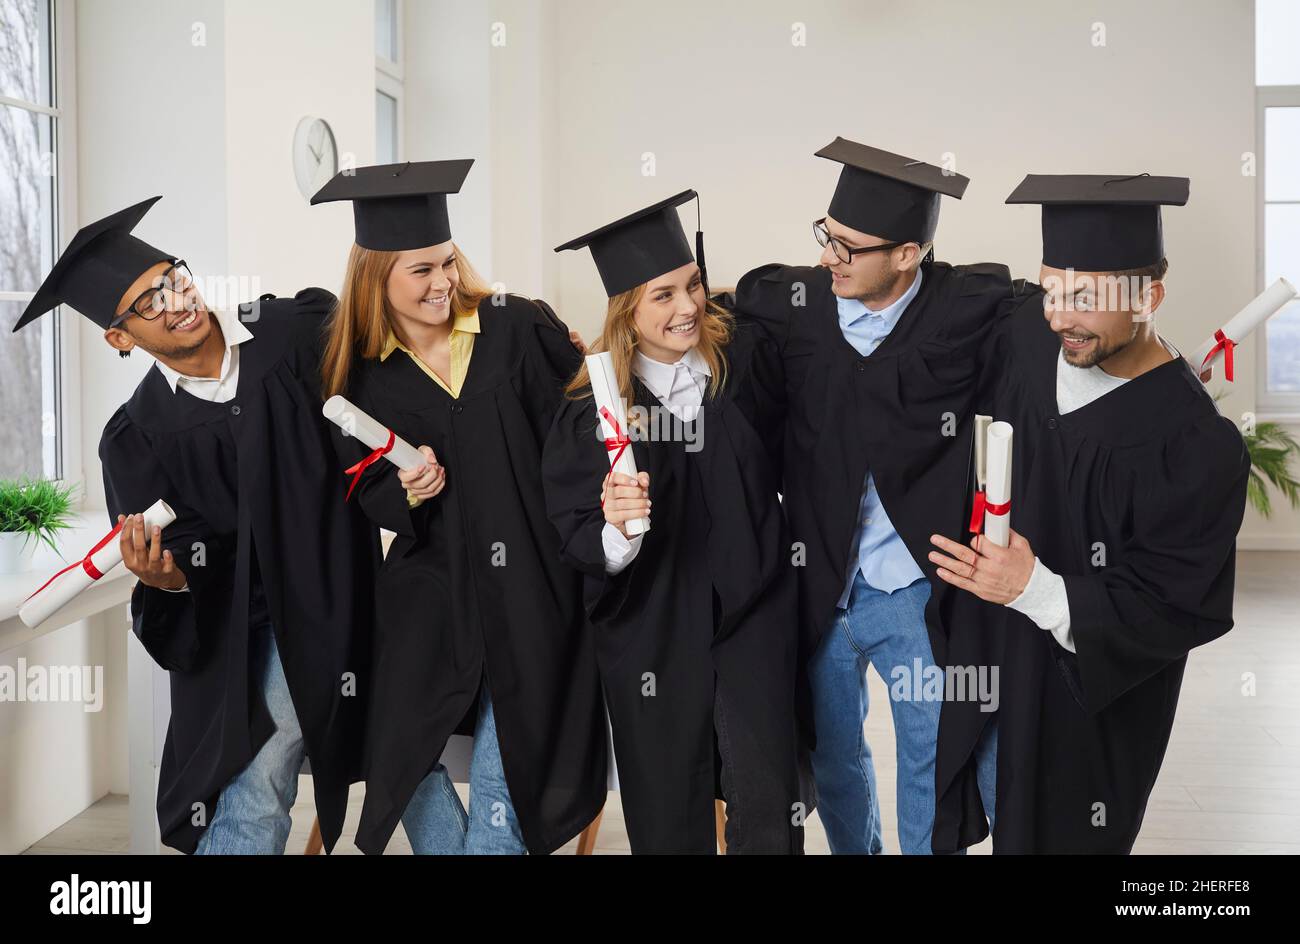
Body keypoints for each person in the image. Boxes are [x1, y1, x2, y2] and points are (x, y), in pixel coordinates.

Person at [12, 196, 378, 854]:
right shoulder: (136, 438)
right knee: (239, 766)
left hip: (337, 598)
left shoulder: (293, 332)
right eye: (147, 304)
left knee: (273, 756)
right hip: (239, 631)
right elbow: (185, 565)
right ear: (119, 337)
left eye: (172, 280)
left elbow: (392, 374)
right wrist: (170, 577)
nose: (174, 301)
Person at [928, 174, 1249, 853]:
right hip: (986, 665)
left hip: (1085, 709)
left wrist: (1033, 588)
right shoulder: (1026, 334)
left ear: (1149, 297)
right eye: (1049, 290)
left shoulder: (1196, 447)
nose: (1057, 315)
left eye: (1082, 298)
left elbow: (1174, 606)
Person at [313, 160, 607, 855]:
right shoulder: (360, 377)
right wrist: (405, 492)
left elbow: (580, 438)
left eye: (448, 263)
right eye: (421, 271)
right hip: (430, 591)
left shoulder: (516, 327)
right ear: (375, 278)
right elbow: (362, 488)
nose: (443, 281)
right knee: (397, 757)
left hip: (537, 585)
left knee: (510, 785)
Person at [732, 138, 1007, 854]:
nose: (831, 257)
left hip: (914, 587)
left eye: (850, 247)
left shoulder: (967, 311)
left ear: (908, 254)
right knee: (832, 755)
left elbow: (1057, 349)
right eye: (827, 236)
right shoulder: (791, 308)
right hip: (820, 579)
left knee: (931, 752)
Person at [543, 191, 805, 854]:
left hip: (753, 617)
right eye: (662, 295)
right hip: (651, 632)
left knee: (767, 798)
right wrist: (618, 528)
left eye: (692, 285)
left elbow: (791, 455)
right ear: (627, 308)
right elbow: (583, 542)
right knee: (667, 809)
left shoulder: (742, 369)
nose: (687, 307)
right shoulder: (588, 415)